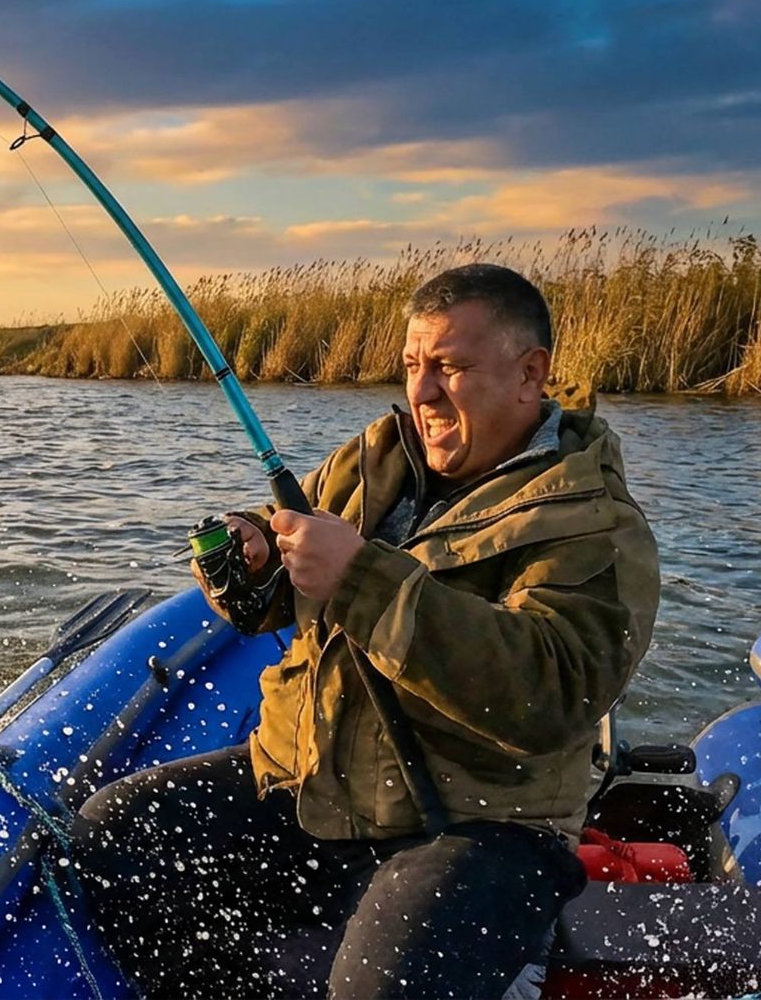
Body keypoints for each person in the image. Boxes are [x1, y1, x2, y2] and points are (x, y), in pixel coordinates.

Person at [71, 264, 660, 998]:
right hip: (310, 786)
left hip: (478, 827)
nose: (423, 392)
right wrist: (252, 557)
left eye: (451, 366)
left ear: (529, 374)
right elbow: (286, 576)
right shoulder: (377, 458)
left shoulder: (591, 520)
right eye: (414, 365)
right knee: (111, 832)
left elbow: (552, 694)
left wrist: (360, 580)